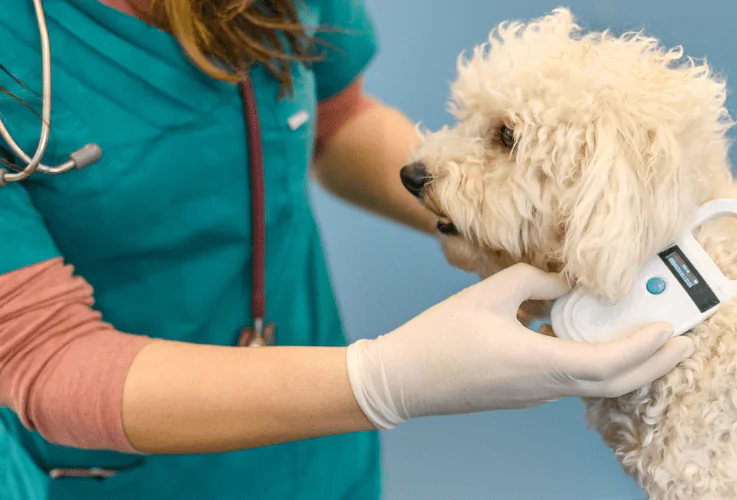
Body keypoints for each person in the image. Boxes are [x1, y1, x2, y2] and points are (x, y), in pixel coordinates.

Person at [0, 1, 695, 498]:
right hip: (113, 470)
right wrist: (384, 380)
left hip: (320, 455)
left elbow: (337, 117)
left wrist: (516, 222)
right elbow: (41, 351)